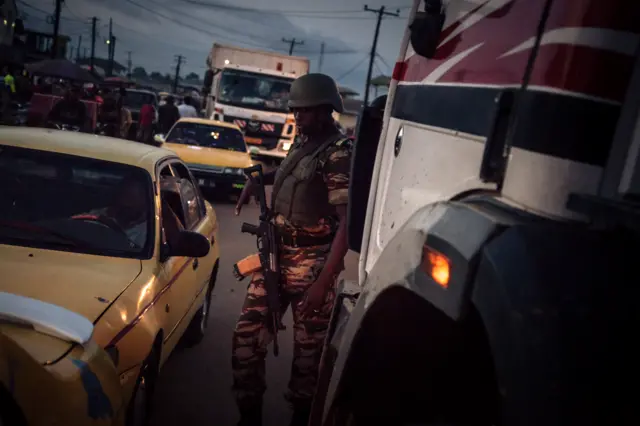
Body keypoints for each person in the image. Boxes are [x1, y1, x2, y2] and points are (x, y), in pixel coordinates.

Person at [231, 73, 353, 426]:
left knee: (308, 360)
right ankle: (248, 416)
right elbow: (290, 173)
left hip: (314, 266)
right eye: (295, 110)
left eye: (306, 110)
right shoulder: (303, 143)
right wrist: (258, 179)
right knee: (245, 340)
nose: (298, 116)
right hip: (276, 259)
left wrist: (323, 281)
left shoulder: (338, 153)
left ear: (326, 110)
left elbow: (346, 224)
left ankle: (302, 418)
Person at [72, 177, 148, 248]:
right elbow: (72, 226)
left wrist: (116, 231)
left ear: (144, 203)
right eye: (125, 196)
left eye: (132, 199)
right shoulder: (98, 214)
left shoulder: (149, 231)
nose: (126, 204)